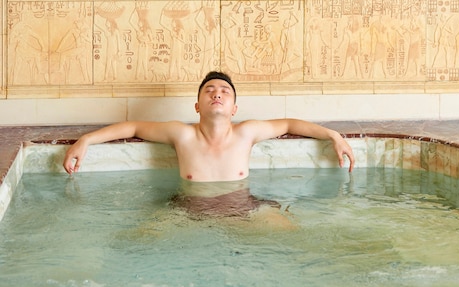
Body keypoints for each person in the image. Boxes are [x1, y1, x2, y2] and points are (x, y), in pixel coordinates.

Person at [63, 71, 355, 218]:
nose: (217, 93)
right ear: (197, 106)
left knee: (295, 237)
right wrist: (86, 140)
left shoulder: (246, 133)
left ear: (234, 109)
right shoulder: (182, 135)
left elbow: (290, 124)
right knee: (138, 243)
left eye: (224, 91)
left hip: (244, 209)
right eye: (209, 90)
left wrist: (334, 136)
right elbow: (135, 126)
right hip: (188, 210)